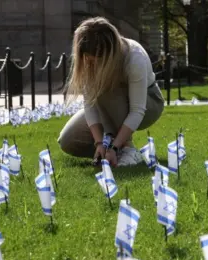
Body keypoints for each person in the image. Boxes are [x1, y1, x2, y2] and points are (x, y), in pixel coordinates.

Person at [58, 17, 165, 167]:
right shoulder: (89, 60)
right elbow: (90, 104)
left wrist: (115, 146)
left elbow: (137, 110)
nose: (90, 64)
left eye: (94, 60)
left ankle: (126, 148)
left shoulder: (134, 58)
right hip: (108, 107)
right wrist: (99, 143)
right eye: (88, 59)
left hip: (147, 104)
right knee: (68, 140)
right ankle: (110, 151)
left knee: (106, 91)